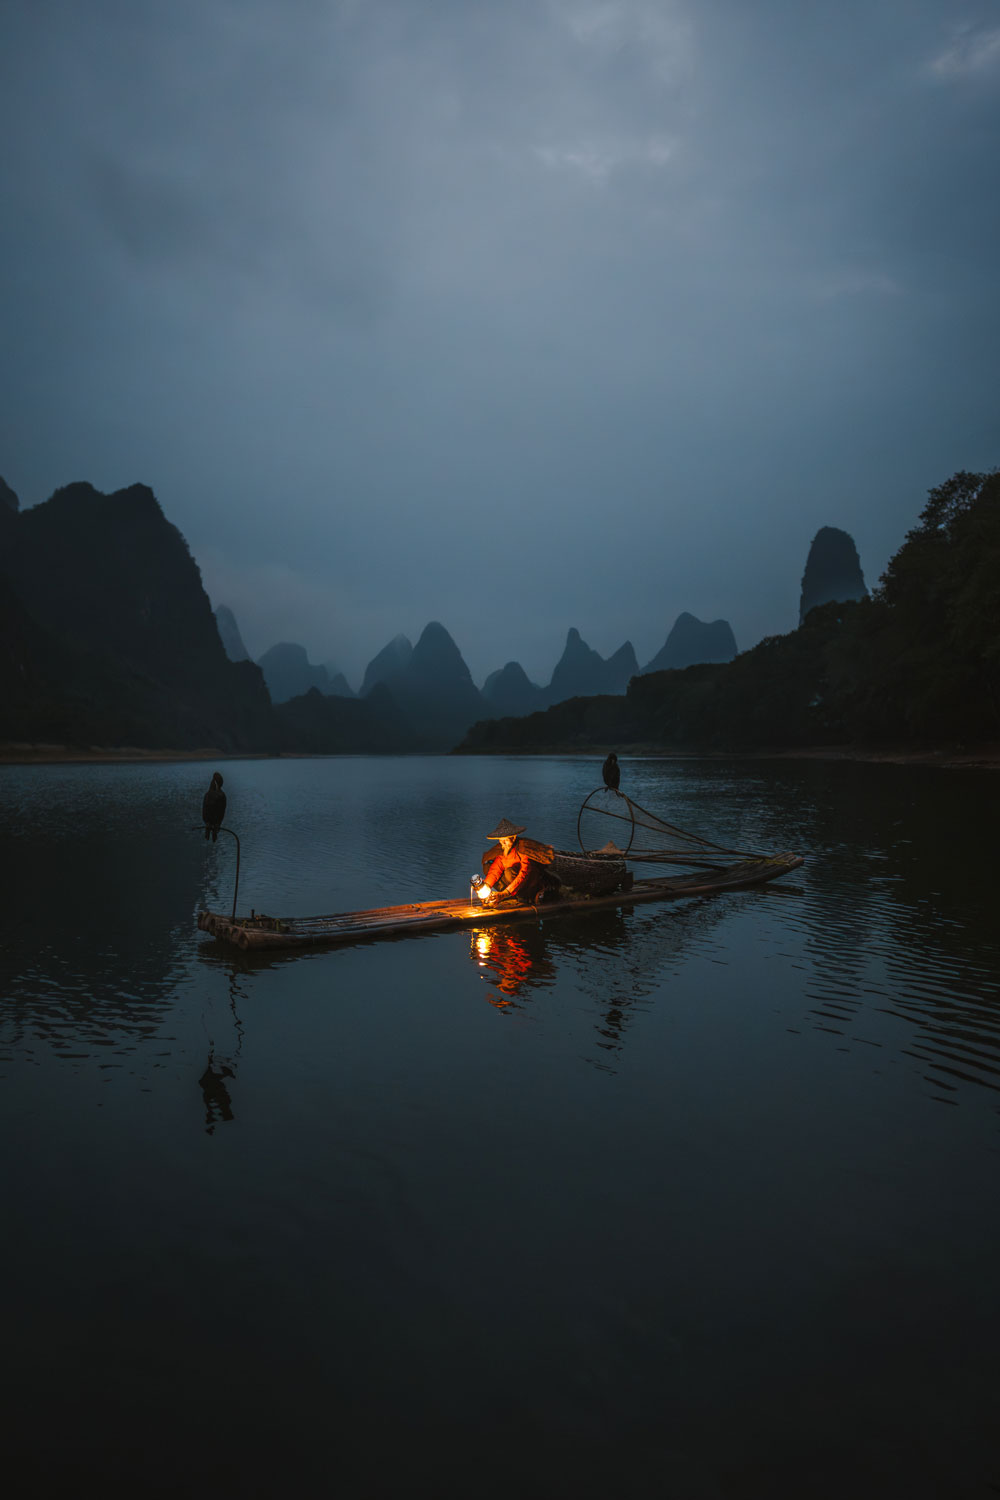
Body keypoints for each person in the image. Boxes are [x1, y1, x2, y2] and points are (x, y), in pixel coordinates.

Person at [479, 818, 560, 906]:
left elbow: (523, 874)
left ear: (513, 838)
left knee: (509, 872)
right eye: (500, 840)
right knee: (488, 868)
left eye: (505, 840)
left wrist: (505, 893)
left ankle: (519, 896)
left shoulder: (523, 849)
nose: (503, 843)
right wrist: (485, 886)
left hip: (530, 884)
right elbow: (495, 870)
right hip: (514, 886)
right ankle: (510, 895)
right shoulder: (502, 850)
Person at [202, 771, 226, 841]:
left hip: (211, 822)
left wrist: (208, 823)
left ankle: (211, 828)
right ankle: (212, 828)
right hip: (213, 822)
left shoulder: (208, 794)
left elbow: (204, 811)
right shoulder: (222, 795)